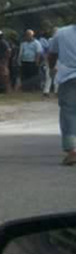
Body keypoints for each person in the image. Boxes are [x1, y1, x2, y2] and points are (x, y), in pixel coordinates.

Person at [49, 25, 76, 166]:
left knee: (69, 113)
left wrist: (51, 68)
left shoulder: (61, 33)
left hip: (69, 78)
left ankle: (72, 151)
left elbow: (52, 54)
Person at [39, 30, 53, 97]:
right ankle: (46, 91)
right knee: (48, 75)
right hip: (50, 58)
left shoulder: (48, 40)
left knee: (49, 76)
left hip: (49, 58)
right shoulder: (49, 40)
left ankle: (48, 91)